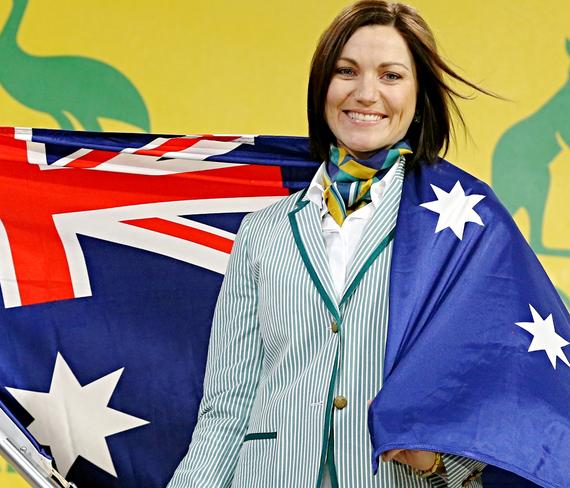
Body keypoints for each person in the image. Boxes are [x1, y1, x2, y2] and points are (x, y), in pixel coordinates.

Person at [167, 1, 539, 487]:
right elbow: (226, 407)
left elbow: (502, 392)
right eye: (346, 71)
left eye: (390, 75)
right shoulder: (263, 231)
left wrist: (442, 464)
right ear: (322, 85)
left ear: (419, 94)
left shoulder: (464, 229)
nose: (366, 93)